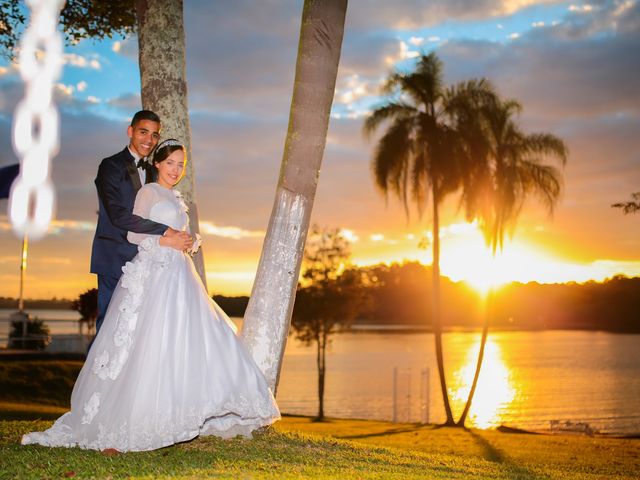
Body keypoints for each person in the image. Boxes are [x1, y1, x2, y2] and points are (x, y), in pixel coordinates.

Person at [22, 139, 280, 451]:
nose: (175, 170)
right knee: (150, 341)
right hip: (155, 274)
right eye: (170, 162)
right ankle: (137, 418)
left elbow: (172, 232)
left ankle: (189, 409)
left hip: (179, 275)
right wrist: (167, 241)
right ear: (157, 163)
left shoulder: (174, 195)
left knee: (197, 337)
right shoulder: (148, 192)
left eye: (180, 165)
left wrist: (187, 241)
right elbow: (133, 234)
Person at [90, 110, 192, 334]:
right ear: (130, 131)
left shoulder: (155, 172)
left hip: (148, 262)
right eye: (143, 132)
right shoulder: (110, 166)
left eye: (155, 135)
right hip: (115, 257)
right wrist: (166, 231)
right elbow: (117, 214)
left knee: (141, 333)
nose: (149, 140)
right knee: (110, 330)